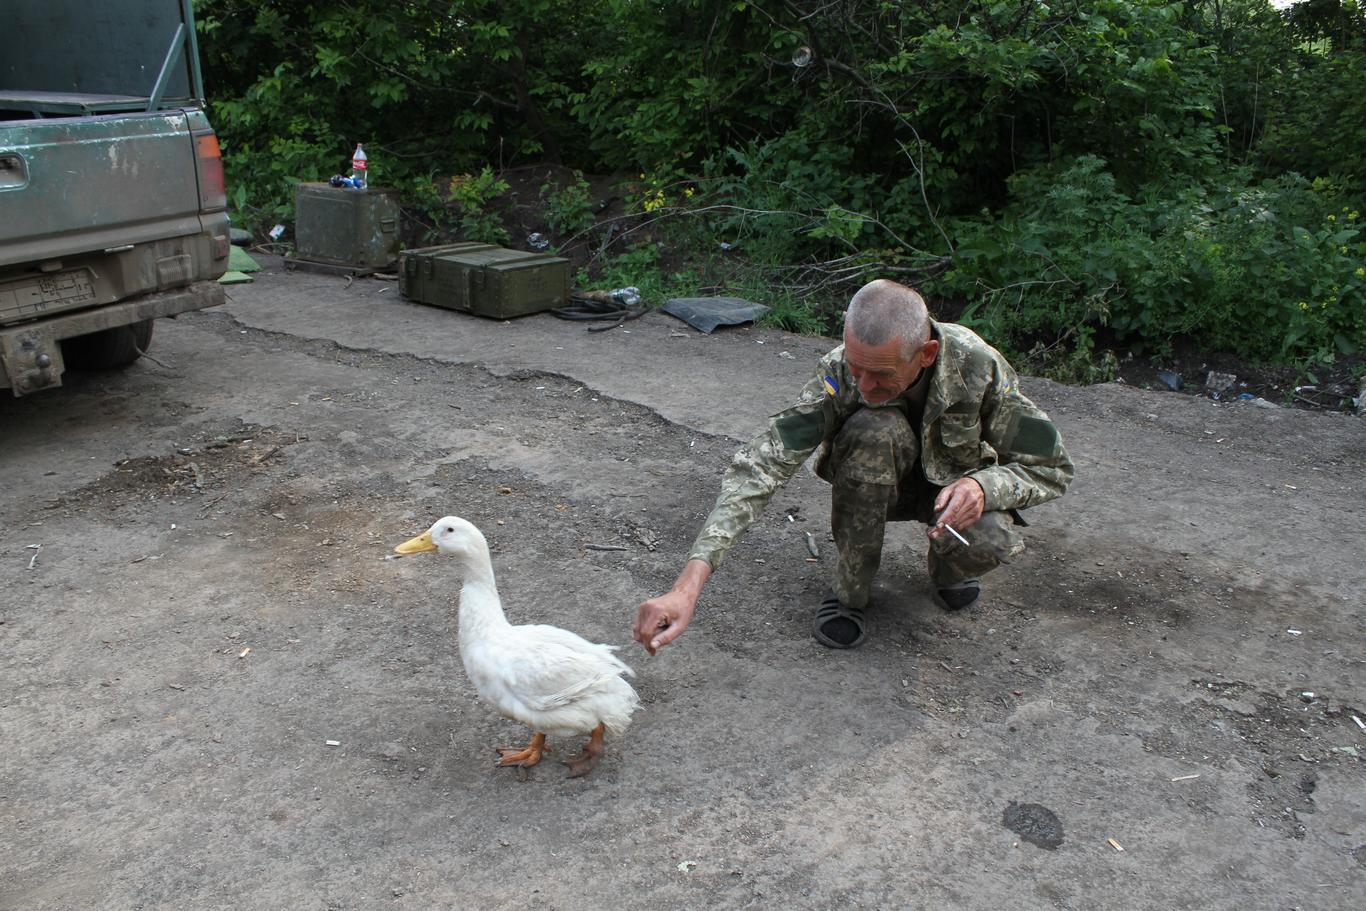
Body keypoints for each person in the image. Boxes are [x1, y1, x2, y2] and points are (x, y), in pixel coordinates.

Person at [632, 279, 1073, 652]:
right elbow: (761, 467)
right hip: (874, 485)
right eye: (856, 367)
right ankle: (850, 592)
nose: (863, 384)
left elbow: (1051, 467)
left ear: (926, 352)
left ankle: (946, 565)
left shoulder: (979, 366)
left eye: (881, 374)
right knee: (872, 428)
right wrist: (686, 587)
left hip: (952, 494)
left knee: (989, 541)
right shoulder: (840, 372)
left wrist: (983, 487)